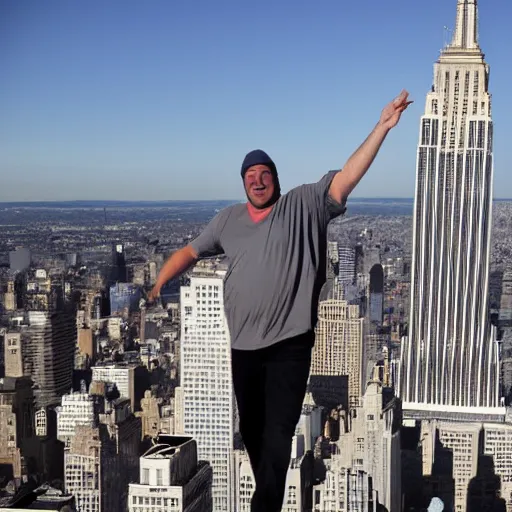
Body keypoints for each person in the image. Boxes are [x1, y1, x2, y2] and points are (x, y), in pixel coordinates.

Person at [148, 90, 412, 512]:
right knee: (252, 431)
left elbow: (346, 177)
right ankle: (266, 497)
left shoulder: (303, 203)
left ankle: (264, 506)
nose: (256, 179)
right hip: (243, 348)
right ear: (243, 182)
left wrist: (381, 127)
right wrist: (161, 279)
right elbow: (191, 251)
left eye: (263, 172)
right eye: (249, 174)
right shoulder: (227, 219)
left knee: (279, 429)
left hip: (289, 343)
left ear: (275, 177)